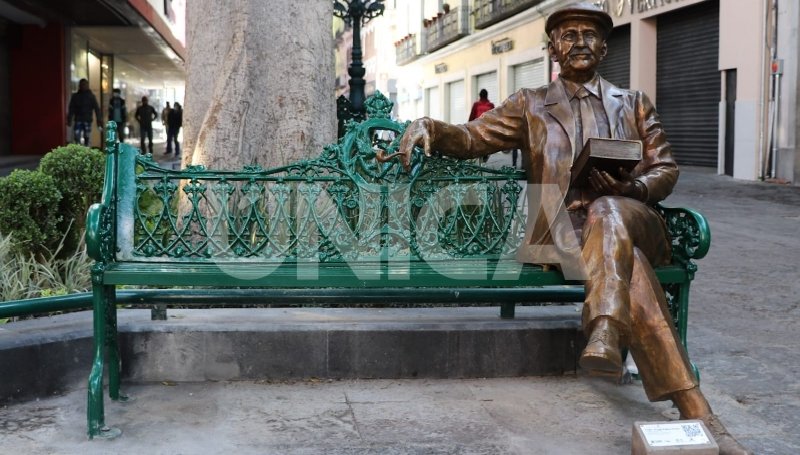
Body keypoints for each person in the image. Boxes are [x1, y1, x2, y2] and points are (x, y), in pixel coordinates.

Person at [397, 4, 750, 454]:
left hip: (635, 217)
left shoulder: (634, 103)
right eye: (568, 35)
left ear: (605, 47)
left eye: (589, 34)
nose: (579, 41)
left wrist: (633, 186)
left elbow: (666, 168)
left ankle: (605, 327)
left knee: (609, 209)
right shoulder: (529, 105)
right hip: (565, 240)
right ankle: (697, 410)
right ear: (553, 50)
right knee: (628, 263)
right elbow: (472, 137)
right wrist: (429, 126)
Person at [66, 78, 101, 146]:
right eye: (82, 85)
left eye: (84, 85)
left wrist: (99, 120)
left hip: (87, 119)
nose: (83, 86)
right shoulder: (76, 96)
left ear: (87, 86)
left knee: (87, 137)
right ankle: (79, 151)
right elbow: (71, 109)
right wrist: (69, 119)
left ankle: (85, 151)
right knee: (77, 137)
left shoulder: (91, 96)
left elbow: (97, 109)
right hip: (79, 119)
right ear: (79, 86)